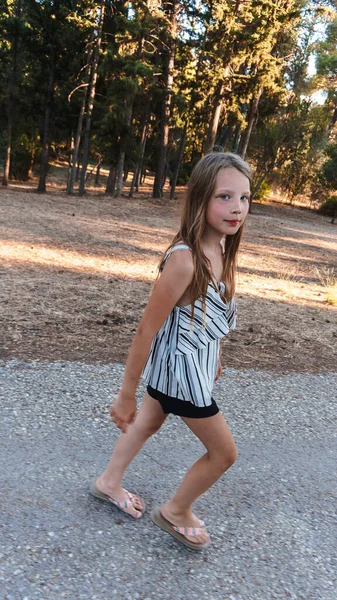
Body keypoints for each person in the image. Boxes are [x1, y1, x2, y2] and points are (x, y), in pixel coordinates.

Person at [90, 151, 251, 550]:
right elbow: (147, 330)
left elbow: (207, 320)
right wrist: (125, 393)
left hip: (187, 365)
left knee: (148, 422)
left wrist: (215, 356)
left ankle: (108, 482)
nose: (237, 209)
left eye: (245, 198)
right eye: (224, 197)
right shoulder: (184, 260)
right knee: (223, 453)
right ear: (200, 198)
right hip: (180, 374)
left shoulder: (222, 249)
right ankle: (176, 511)